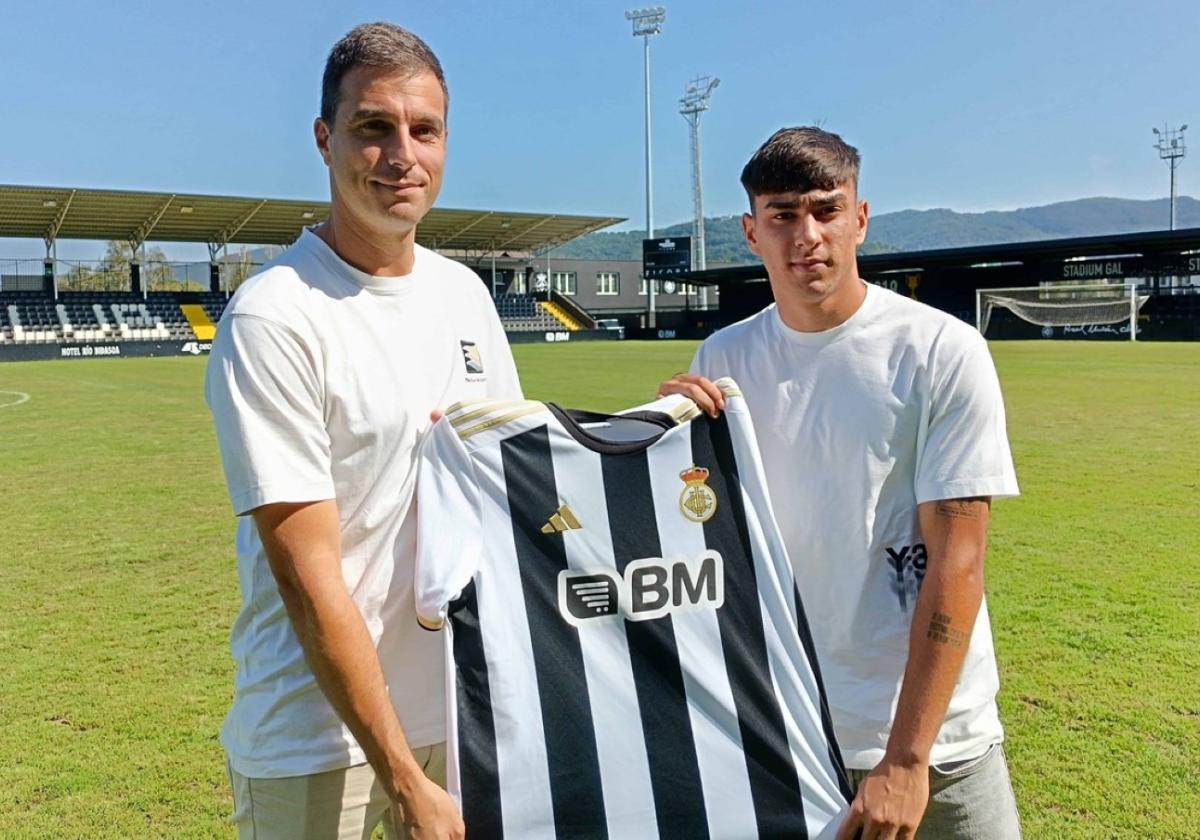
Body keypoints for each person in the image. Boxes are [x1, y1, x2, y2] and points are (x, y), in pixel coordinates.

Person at [658, 127, 1022, 839]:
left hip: (937, 746)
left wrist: (907, 759)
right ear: (751, 232)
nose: (808, 236)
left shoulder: (941, 350)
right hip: (786, 732)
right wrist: (670, 442)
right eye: (783, 215)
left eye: (826, 210)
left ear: (859, 219)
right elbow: (702, 534)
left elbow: (959, 558)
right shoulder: (724, 357)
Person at [205, 22, 521, 840]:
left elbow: (513, 485)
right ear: (325, 138)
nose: (401, 156)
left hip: (463, 717)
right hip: (318, 741)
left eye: (425, 131)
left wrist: (670, 433)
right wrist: (401, 777)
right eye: (373, 127)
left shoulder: (466, 298)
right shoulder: (277, 314)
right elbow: (308, 573)